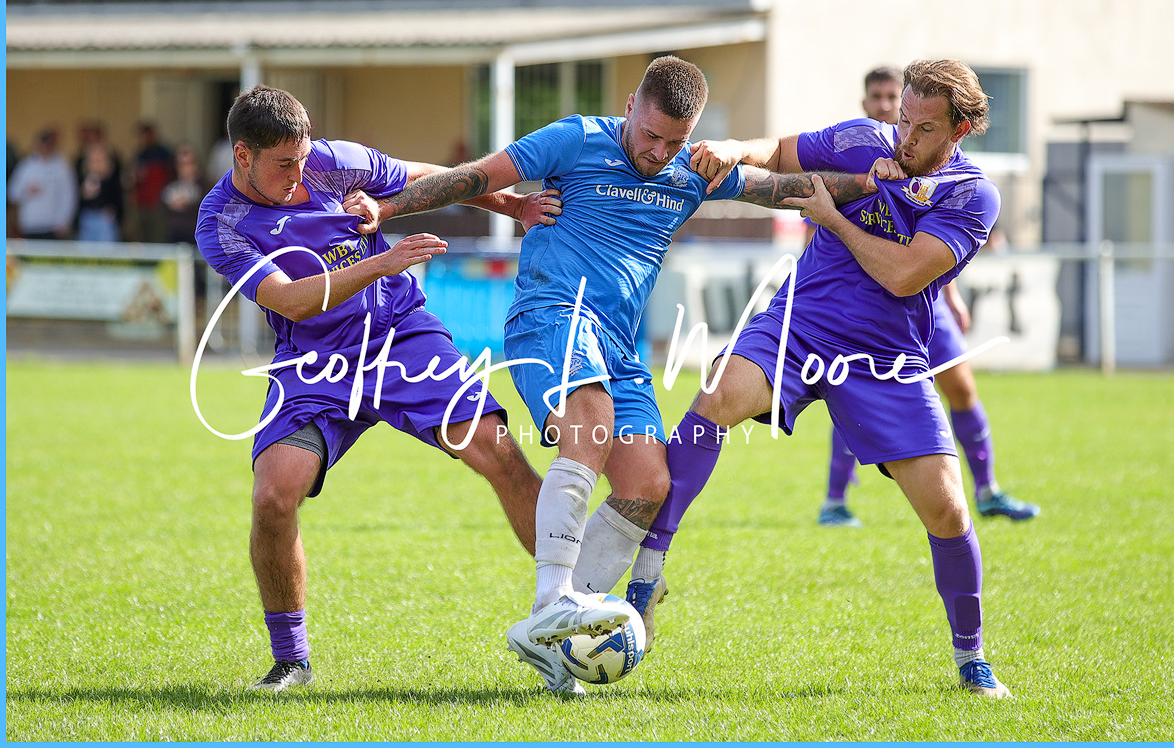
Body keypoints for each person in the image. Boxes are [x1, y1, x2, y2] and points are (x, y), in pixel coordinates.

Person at [348, 56, 884, 694]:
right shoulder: (573, 139)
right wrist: (387, 209)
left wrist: (890, 181)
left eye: (674, 142)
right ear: (631, 104)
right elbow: (473, 177)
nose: (659, 152)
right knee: (591, 421)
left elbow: (792, 189)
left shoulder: (694, 170)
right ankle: (553, 603)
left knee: (646, 482)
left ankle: (563, 643)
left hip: (622, 347)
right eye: (650, 134)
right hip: (551, 316)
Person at [647, 59, 1013, 697]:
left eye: (924, 129)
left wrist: (837, 215)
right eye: (902, 120)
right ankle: (646, 572)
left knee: (950, 511)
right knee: (718, 395)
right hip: (799, 325)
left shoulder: (971, 195)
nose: (905, 137)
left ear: (963, 128)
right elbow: (782, 151)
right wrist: (734, 149)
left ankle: (971, 656)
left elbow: (903, 276)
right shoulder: (861, 141)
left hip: (886, 359)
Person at [194, 85, 559, 693]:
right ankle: (292, 662)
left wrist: (513, 206)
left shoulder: (331, 161)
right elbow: (289, 299)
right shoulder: (222, 223)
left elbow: (435, 176)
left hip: (399, 334)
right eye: (284, 164)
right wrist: (378, 263)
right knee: (273, 498)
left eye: (303, 156)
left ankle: (572, 609)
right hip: (315, 362)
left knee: (498, 451)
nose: (299, 172)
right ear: (242, 156)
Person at [811, 66, 1038, 526]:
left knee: (962, 387)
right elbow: (826, 222)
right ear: (867, 106)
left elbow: (930, 248)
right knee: (850, 391)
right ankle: (836, 499)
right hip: (870, 308)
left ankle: (989, 488)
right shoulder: (861, 153)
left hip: (925, 304)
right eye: (877, 98)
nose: (885, 106)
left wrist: (951, 297)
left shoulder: (942, 168)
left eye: (892, 96)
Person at [8, 128, 77, 239]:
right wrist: (27, 191)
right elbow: (12, 193)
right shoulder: (26, 165)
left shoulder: (62, 166)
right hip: (30, 224)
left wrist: (64, 221)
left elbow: (68, 195)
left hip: (53, 225)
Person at [132, 122, 174, 242]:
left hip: (158, 205)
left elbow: (169, 178)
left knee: (157, 238)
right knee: (141, 238)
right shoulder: (140, 154)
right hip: (141, 204)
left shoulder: (164, 154)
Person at [75, 143, 125, 242]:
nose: (96, 163)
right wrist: (84, 193)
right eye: (93, 160)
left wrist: (113, 211)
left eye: (99, 159)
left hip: (105, 220)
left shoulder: (113, 179)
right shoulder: (83, 178)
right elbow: (76, 202)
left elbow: (118, 200)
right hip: (87, 219)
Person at [161, 144, 205, 244]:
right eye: (181, 164)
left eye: (189, 163)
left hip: (197, 242)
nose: (186, 168)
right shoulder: (169, 186)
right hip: (173, 240)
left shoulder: (207, 187)